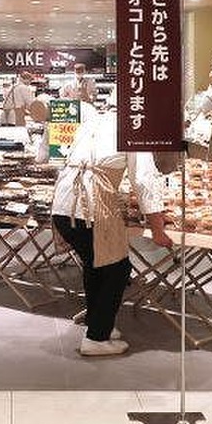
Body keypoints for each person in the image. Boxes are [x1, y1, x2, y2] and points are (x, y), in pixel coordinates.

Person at [50, 101, 174, 356]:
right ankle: (96, 338)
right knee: (117, 269)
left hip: (63, 205)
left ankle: (97, 323)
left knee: (96, 263)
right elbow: (144, 181)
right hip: (90, 206)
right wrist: (158, 230)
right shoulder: (134, 128)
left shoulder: (92, 122)